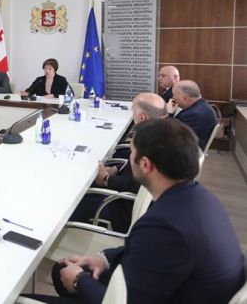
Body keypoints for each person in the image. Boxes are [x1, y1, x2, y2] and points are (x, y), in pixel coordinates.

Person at [27, 118, 244, 304]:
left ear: (146, 164)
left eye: (132, 153)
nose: (129, 159)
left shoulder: (164, 225)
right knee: (61, 270)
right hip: (171, 289)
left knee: (64, 277)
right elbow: (149, 253)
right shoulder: (197, 198)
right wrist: (103, 258)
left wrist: (78, 280)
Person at [69, 93, 167, 233]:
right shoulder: (162, 133)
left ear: (142, 117)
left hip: (121, 207)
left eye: (133, 111)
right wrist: (116, 169)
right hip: (130, 196)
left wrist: (106, 179)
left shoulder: (150, 143)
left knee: (72, 203)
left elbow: (136, 185)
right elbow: (132, 167)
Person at [167, 80, 218, 149]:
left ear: (185, 99)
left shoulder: (194, 114)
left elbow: (172, 136)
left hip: (184, 150)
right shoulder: (202, 106)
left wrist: (169, 114)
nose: (173, 98)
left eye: (174, 95)